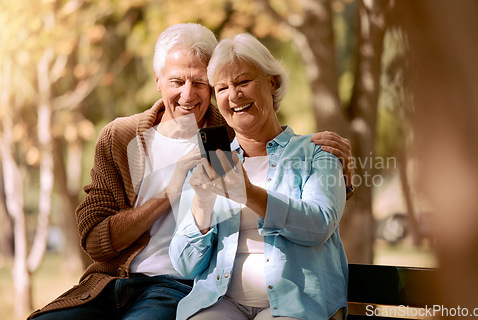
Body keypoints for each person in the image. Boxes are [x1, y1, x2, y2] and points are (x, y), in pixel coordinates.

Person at [28, 24, 353, 320]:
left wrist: (342, 175)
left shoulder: (228, 138)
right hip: (113, 282)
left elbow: (285, 167)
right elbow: (95, 240)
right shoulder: (121, 137)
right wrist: (172, 193)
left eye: (200, 83)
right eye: (176, 81)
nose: (188, 94)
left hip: (178, 288)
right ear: (158, 82)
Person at [169, 33, 347, 320]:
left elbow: (319, 225)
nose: (234, 95)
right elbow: (185, 265)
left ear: (272, 82)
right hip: (220, 303)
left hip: (296, 306)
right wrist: (201, 203)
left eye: (242, 82)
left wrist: (249, 194)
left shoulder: (317, 152)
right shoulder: (212, 165)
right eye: (222, 88)